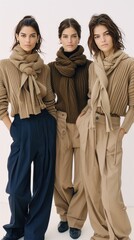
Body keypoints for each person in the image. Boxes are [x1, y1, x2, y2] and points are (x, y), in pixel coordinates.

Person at [77, 13, 134, 240]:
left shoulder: (129, 64)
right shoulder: (94, 66)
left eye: (106, 34)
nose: (102, 39)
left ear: (114, 34)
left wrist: (122, 131)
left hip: (112, 128)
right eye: (97, 36)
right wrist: (83, 119)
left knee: (110, 192)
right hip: (90, 125)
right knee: (92, 187)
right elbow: (91, 97)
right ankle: (100, 233)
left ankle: (121, 235)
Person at [0, 15, 57, 240]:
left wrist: (53, 125)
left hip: (45, 124)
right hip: (22, 126)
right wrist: (12, 128)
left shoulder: (44, 68)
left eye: (32, 35)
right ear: (17, 36)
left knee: (43, 184)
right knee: (16, 188)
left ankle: (35, 232)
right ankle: (16, 228)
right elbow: (1, 102)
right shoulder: (5, 66)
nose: (27, 39)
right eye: (23, 35)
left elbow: (51, 100)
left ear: (38, 38)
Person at [48, 18, 92, 239]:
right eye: (65, 36)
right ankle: (64, 215)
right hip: (62, 124)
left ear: (79, 37)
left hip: (84, 126)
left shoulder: (90, 67)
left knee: (83, 178)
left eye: (73, 35)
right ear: (60, 38)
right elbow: (47, 99)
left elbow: (94, 97)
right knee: (61, 177)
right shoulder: (51, 68)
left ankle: (76, 220)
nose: (70, 40)